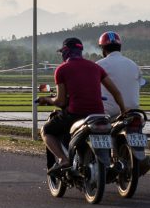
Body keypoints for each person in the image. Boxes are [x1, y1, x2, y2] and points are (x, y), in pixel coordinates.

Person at [37, 37, 126, 173]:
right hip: (99, 115)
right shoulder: (96, 67)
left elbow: (60, 102)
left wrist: (47, 100)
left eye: (62, 52)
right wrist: (123, 111)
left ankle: (63, 159)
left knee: (46, 131)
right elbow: (117, 93)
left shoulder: (62, 70)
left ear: (65, 52)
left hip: (75, 115)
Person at [96, 31, 143, 117]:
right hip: (133, 110)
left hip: (108, 112)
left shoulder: (98, 65)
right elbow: (139, 85)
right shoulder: (133, 65)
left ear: (103, 48)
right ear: (119, 47)